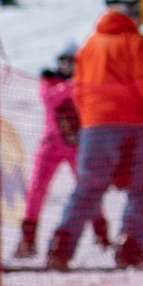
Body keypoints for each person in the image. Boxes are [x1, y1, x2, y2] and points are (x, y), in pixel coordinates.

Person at [50, 0, 143, 271]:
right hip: (132, 127)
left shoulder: (88, 46)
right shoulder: (136, 42)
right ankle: (130, 248)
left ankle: (59, 250)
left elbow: (77, 91)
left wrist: (89, 122)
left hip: (93, 128)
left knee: (88, 189)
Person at [18, 43, 106, 259]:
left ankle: (101, 234)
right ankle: (28, 240)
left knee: (88, 188)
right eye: (63, 61)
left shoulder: (86, 83)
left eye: (72, 61)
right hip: (50, 145)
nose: (67, 65)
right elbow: (51, 98)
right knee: (36, 190)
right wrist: (75, 84)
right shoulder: (49, 81)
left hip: (77, 146)